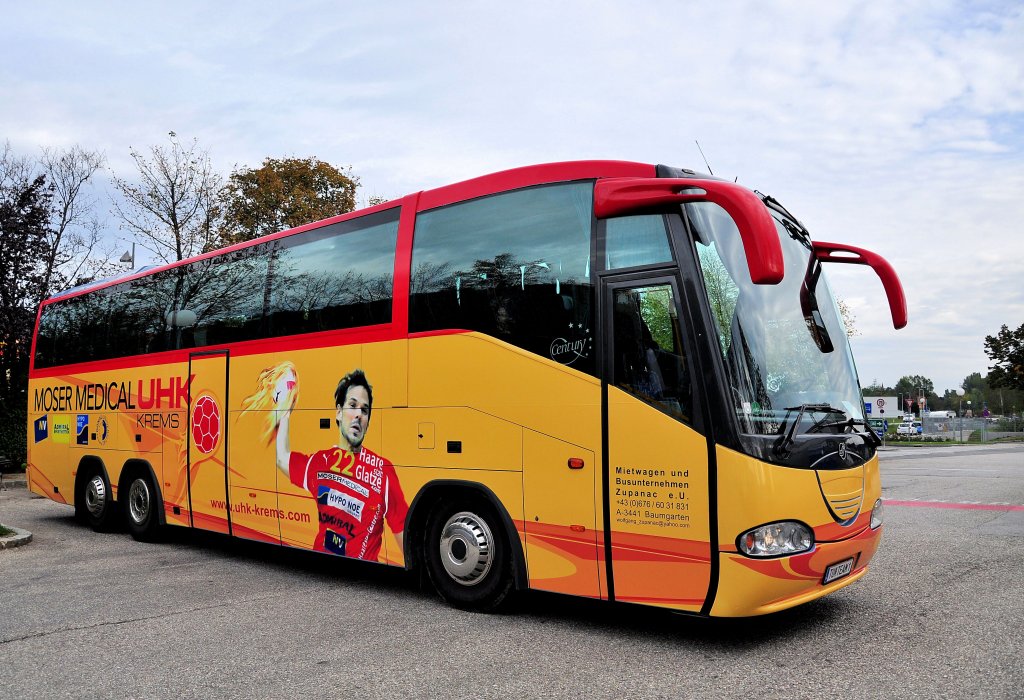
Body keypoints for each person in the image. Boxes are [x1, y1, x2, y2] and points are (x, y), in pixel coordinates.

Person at [272, 367, 407, 561]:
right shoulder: (321, 462)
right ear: (338, 413)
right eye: (352, 405)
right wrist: (284, 412)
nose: (359, 414)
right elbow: (281, 458)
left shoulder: (382, 471)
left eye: (365, 410)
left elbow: (404, 533)